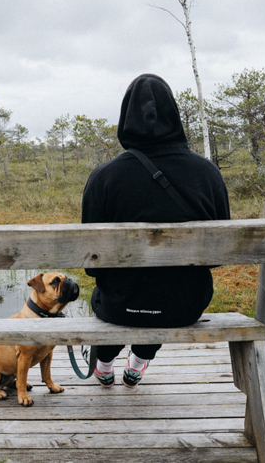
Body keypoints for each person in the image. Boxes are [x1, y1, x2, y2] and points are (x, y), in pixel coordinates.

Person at [82, 73, 230, 387]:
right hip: (184, 306)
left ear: (126, 118)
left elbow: (91, 268)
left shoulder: (103, 177)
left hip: (120, 306)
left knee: (119, 293)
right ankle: (139, 361)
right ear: (174, 116)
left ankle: (104, 363)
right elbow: (217, 257)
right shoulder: (207, 174)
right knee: (168, 290)